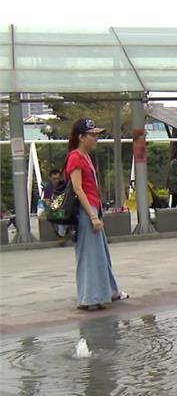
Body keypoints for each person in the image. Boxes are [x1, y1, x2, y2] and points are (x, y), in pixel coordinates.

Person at [66, 118, 127, 311]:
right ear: (81, 137)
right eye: (92, 135)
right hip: (87, 211)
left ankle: (106, 292)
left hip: (94, 208)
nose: (96, 138)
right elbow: (77, 188)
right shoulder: (75, 157)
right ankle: (89, 298)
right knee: (89, 254)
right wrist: (92, 215)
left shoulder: (86, 157)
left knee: (100, 254)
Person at [42, 169, 69, 246]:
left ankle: (61, 235)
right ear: (50, 178)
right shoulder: (48, 188)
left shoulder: (64, 186)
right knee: (58, 214)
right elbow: (47, 201)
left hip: (64, 207)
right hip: (53, 208)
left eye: (58, 178)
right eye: (54, 179)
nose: (56, 181)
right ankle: (61, 235)